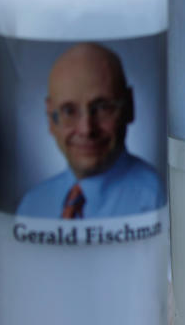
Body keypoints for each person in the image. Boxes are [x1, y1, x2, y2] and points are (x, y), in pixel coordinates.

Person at [17, 43, 164, 219]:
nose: (86, 129)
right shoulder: (32, 206)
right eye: (69, 111)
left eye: (102, 108)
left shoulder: (157, 200)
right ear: (50, 118)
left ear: (129, 107)